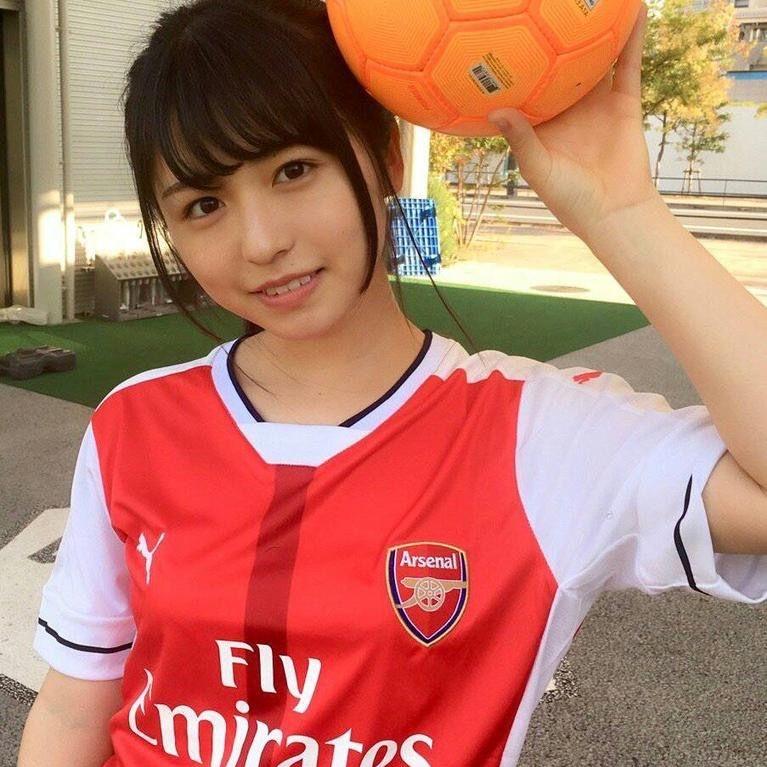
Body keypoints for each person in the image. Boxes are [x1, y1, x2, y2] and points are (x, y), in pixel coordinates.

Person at [18, 1, 767, 765]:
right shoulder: (134, 424)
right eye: (204, 204)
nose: (262, 241)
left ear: (387, 160)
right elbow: (76, 704)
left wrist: (624, 212)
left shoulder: (536, 438)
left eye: (294, 170)